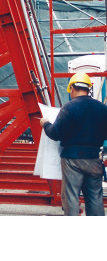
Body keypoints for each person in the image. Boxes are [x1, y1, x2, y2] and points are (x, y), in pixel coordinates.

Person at [40, 72, 107, 216]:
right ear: (89, 89)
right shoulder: (102, 109)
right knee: (95, 199)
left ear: (72, 89)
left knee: (71, 199)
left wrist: (46, 124)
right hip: (94, 159)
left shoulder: (69, 107)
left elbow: (55, 133)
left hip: (72, 161)